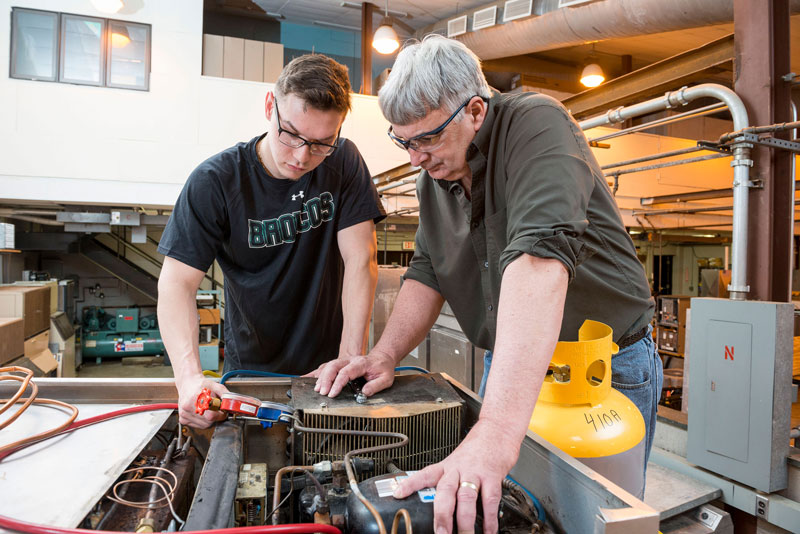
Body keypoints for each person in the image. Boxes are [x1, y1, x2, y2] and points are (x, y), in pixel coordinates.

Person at [312, 35, 661, 534]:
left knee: (594, 522)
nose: (415, 158)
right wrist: (384, 354)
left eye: (426, 139)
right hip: (512, 364)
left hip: (599, 372)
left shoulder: (536, 123)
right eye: (403, 141)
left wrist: (496, 430)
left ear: (475, 111)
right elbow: (427, 272)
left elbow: (540, 258)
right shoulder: (434, 176)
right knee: (507, 509)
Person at [157, 54, 386, 429]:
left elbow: (361, 259)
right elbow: (176, 284)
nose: (301, 157)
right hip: (250, 376)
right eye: (291, 135)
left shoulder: (343, 162)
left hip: (326, 374)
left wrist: (349, 355)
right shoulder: (216, 181)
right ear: (270, 106)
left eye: (320, 143)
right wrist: (188, 379)